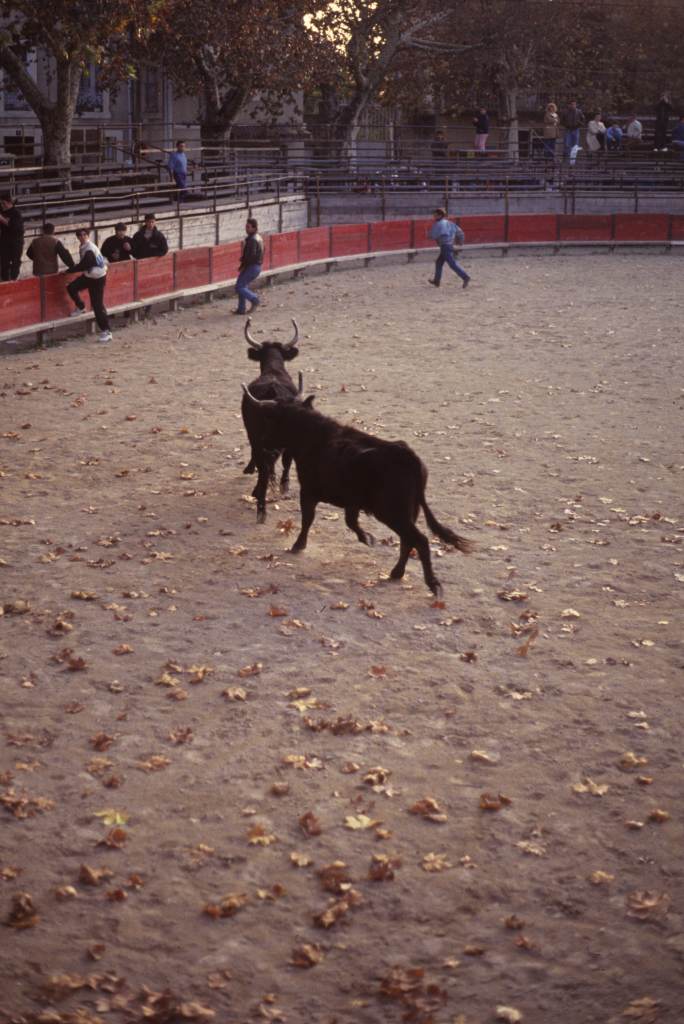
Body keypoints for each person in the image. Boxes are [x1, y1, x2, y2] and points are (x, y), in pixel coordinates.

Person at [66, 228, 112, 343]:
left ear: (87, 235)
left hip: (97, 278)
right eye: (80, 235)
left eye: (84, 235)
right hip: (90, 275)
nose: (82, 237)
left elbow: (87, 264)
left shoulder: (89, 248)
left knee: (97, 305)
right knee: (72, 287)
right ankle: (81, 307)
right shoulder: (86, 246)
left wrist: (71, 270)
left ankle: (107, 331)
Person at [427, 207, 470, 290]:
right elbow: (460, 233)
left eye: (435, 215)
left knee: (452, 264)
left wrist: (428, 235)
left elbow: (433, 236)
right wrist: (461, 243)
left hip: (445, 246)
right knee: (439, 262)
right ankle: (436, 281)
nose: (434, 217)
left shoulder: (438, 224)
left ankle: (465, 277)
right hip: (449, 245)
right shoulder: (450, 223)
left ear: (440, 215)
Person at [233, 217, 264, 315]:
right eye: (246, 227)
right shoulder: (257, 237)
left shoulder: (252, 240)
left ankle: (254, 299)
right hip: (254, 266)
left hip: (252, 266)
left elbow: (251, 256)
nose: (246, 229)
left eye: (248, 227)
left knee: (239, 286)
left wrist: (244, 264)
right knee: (241, 285)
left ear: (254, 228)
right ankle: (241, 309)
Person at [0, 193, 24, 281]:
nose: (2, 205)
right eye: (1, 203)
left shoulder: (16, 213)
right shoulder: (2, 211)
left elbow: (15, 227)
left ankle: (13, 278)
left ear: (9, 203)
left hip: (16, 241)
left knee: (15, 261)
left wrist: (2, 219)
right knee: (4, 261)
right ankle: (4, 279)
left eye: (3, 203)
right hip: (4, 240)